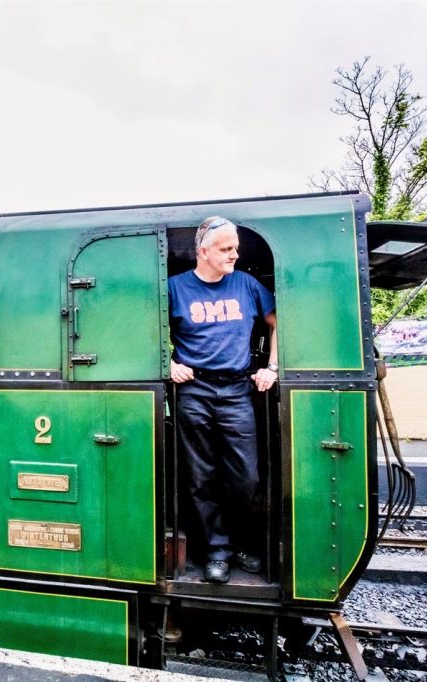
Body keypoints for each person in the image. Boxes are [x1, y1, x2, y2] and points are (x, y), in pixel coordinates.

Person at [168, 216, 277, 583]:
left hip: (236, 390)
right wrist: (168, 363)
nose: (234, 254)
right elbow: (147, 330)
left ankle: (238, 542)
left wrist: (272, 367)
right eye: (226, 249)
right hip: (194, 390)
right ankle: (217, 551)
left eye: (236, 248)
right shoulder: (174, 288)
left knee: (245, 477)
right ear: (203, 251)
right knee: (200, 476)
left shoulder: (246, 284)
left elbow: (277, 323)